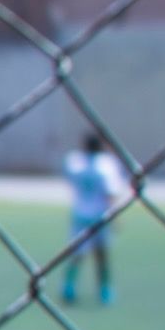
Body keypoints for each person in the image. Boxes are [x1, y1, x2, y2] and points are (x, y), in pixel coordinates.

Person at [59, 130, 129, 305]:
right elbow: (110, 193)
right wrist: (116, 217)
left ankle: (69, 286)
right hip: (100, 215)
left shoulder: (75, 162)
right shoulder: (106, 165)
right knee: (101, 254)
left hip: (80, 213)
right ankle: (104, 290)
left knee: (77, 254)